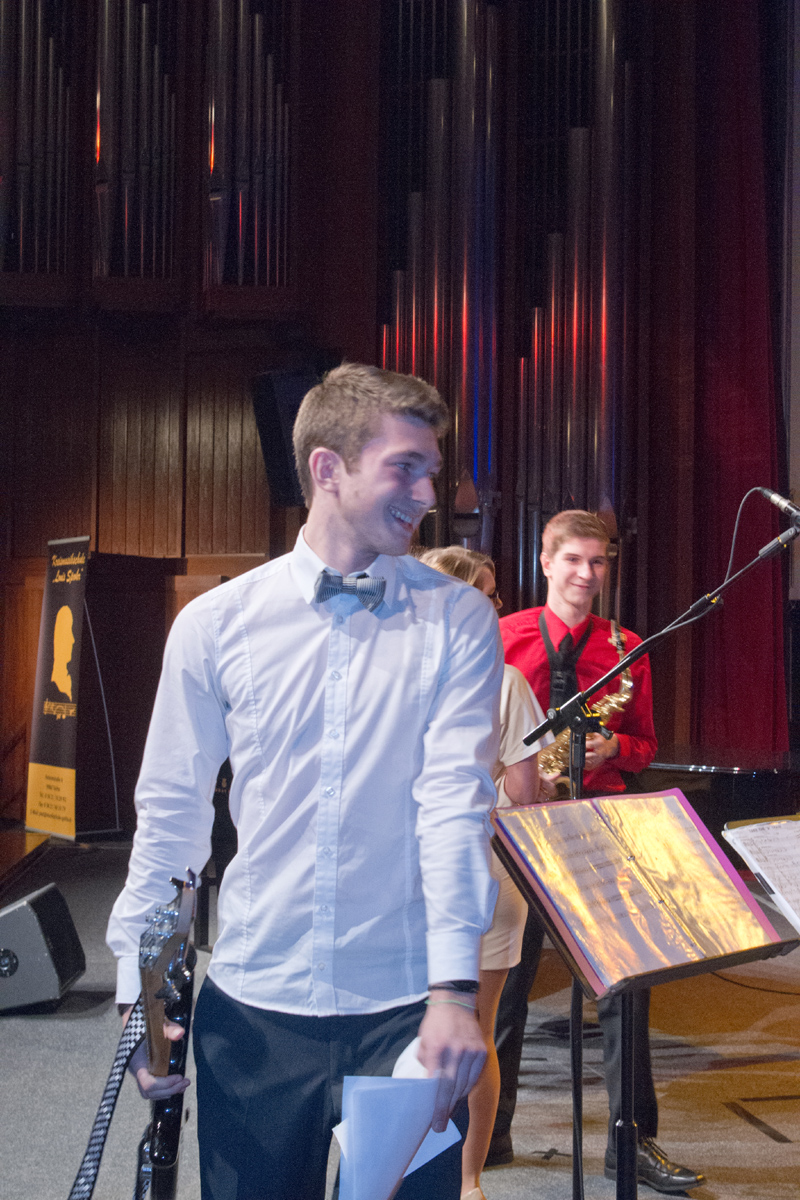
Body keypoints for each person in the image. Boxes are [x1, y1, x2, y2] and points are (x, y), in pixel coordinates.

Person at [107, 363, 505, 1200]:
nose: (428, 494)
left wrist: (453, 993)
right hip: (255, 1009)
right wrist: (140, 990)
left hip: (407, 1010)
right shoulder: (215, 624)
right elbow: (172, 818)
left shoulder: (459, 619)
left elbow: (454, 809)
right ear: (329, 468)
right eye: (405, 467)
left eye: (432, 471)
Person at [490, 509, 705, 1195]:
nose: (586, 574)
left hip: (601, 824)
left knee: (627, 985)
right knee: (506, 983)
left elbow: (646, 744)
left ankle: (630, 1142)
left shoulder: (627, 645)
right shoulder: (503, 636)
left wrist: (615, 747)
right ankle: (488, 1133)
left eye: (598, 561)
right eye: (573, 560)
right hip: (522, 826)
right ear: (545, 562)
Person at [420, 546, 552, 1200]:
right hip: (485, 871)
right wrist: (543, 783)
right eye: (489, 593)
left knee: (411, 1026)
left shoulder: (400, 673)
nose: (499, 605)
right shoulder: (506, 680)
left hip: (412, 872)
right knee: (478, 1028)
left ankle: (405, 1165)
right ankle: (469, 1179)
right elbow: (525, 795)